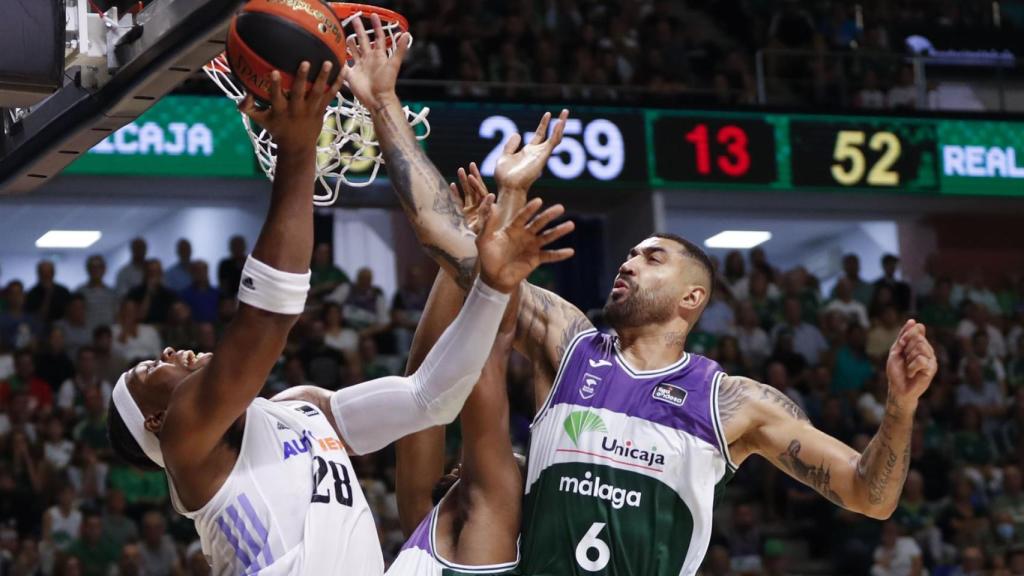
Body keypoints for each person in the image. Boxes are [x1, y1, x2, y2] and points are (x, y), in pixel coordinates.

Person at [352, 14, 938, 572]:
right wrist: (384, 104)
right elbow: (446, 239)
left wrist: (900, 407)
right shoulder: (568, 344)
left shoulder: (733, 403)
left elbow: (870, 495)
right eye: (630, 253)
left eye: (652, 257)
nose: (629, 263)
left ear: (692, 299)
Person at [105, 60, 573, 575]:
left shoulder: (301, 408)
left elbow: (429, 399)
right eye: (150, 369)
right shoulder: (187, 446)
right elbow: (265, 321)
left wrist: (487, 285)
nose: (168, 353)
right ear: (156, 420)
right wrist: (299, 148)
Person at [126, 260, 178, 325]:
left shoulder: (170, 294)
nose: (155, 275)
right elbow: (136, 317)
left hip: (164, 330)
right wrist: (149, 293)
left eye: (157, 272)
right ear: (146, 274)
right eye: (152, 272)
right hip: (142, 329)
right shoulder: (135, 292)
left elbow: (176, 317)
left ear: (161, 273)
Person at [78, 255, 119, 332]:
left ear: (104, 269)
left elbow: (117, 315)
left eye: (99, 267)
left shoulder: (113, 293)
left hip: (107, 337)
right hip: (86, 335)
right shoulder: (80, 292)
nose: (96, 270)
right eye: (93, 267)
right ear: (88, 269)